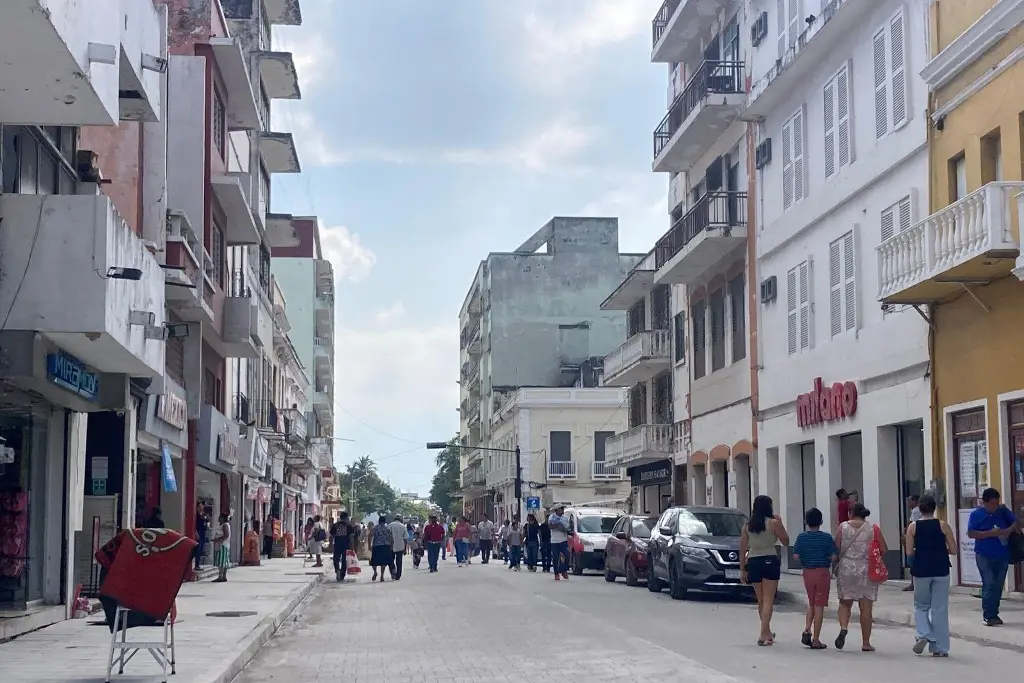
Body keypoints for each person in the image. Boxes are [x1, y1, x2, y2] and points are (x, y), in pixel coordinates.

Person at [906, 492, 956, 656]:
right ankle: (940, 648)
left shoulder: (913, 527)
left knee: (921, 606)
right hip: (941, 569)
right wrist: (943, 549)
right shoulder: (943, 525)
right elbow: (954, 550)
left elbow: (909, 552)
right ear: (934, 509)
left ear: (920, 509)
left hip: (921, 570)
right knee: (939, 609)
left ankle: (923, 633)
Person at [834, 502, 887, 652]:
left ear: (850, 512)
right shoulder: (873, 528)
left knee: (845, 603)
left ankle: (844, 627)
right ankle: (865, 642)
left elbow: (837, 547)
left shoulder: (843, 527)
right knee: (866, 608)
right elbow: (883, 549)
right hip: (866, 569)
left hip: (846, 568)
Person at [739, 495, 789, 647]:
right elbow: (786, 541)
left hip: (753, 561)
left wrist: (742, 569)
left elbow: (742, 548)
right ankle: (763, 633)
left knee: (760, 600)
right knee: (768, 600)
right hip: (769, 559)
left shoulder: (747, 526)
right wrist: (780, 524)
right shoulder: (773, 523)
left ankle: (767, 632)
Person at [967, 487, 1018, 627]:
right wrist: (990, 533)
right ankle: (988, 615)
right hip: (984, 554)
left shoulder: (1002, 511)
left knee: (998, 585)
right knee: (989, 583)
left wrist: (1008, 530)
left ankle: (994, 614)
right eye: (992, 504)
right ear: (985, 502)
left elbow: (1017, 522)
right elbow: (971, 533)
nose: (995, 506)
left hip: (1002, 554)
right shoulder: (976, 515)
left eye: (997, 503)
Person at [793, 507, 837, 650]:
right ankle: (816, 639)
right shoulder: (826, 538)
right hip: (822, 572)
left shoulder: (801, 537)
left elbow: (796, 556)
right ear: (821, 521)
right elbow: (834, 556)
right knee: (819, 606)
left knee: (811, 603)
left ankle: (807, 629)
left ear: (806, 522)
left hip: (808, 573)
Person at [904, 494, 923, 592]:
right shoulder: (917, 510)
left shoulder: (916, 510)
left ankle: (913, 583)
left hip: (914, 539)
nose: (908, 503)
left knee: (911, 560)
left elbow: (911, 524)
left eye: (909, 500)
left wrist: (905, 535)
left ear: (915, 501)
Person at [548, 505, 570, 581]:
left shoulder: (565, 518)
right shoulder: (551, 517)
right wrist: (559, 525)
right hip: (554, 541)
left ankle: (563, 570)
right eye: (561, 508)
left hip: (563, 540)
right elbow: (551, 526)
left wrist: (558, 526)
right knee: (555, 557)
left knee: (567, 555)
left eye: (563, 508)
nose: (563, 510)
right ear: (557, 510)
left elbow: (566, 528)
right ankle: (556, 573)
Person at [370, 515, 394, 582]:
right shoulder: (387, 528)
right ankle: (382, 576)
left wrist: (369, 545)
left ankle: (375, 572)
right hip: (385, 546)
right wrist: (391, 546)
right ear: (385, 521)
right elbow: (391, 538)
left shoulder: (375, 527)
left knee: (374, 561)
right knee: (383, 562)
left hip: (376, 546)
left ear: (379, 521)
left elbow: (370, 535)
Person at [330, 513, 353, 582]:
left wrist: (331, 544)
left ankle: (337, 570)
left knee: (336, 558)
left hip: (337, 543)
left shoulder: (335, 525)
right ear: (346, 518)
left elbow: (332, 536)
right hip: (346, 544)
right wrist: (352, 547)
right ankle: (342, 574)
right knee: (344, 560)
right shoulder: (348, 526)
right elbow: (351, 537)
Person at [388, 514, 408, 580]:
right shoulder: (403, 526)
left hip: (391, 545)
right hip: (400, 546)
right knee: (399, 561)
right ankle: (398, 575)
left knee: (390, 560)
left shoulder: (390, 525)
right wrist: (405, 548)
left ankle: (393, 570)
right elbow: (405, 538)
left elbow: (387, 535)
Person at [194, 503, 208, 570]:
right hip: (198, 532)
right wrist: (196, 533)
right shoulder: (196, 515)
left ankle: (198, 564)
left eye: (202, 507)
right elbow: (194, 525)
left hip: (203, 532)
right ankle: (196, 565)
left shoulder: (203, 515)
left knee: (201, 549)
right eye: (199, 507)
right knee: (198, 549)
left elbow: (206, 523)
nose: (201, 508)